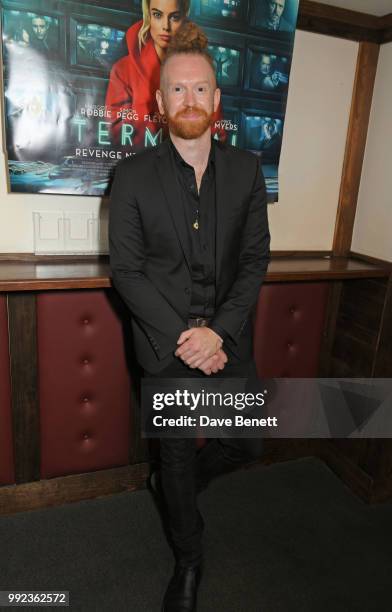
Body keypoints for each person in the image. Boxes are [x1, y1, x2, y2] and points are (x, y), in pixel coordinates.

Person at [109, 21, 270, 612]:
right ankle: (189, 559)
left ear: (217, 99)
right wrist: (189, 338)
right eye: (178, 90)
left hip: (228, 340)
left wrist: (218, 332)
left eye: (201, 89)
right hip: (165, 346)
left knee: (249, 445)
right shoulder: (130, 177)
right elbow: (126, 273)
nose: (190, 100)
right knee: (174, 456)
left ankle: (184, 486)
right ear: (160, 101)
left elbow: (255, 262)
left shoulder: (248, 172)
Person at [105, 0, 224, 150]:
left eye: (174, 17)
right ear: (148, 15)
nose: (165, 27)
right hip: (141, 166)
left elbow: (216, 131)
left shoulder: (202, 70)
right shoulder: (123, 70)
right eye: (157, 15)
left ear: (184, 17)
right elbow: (116, 133)